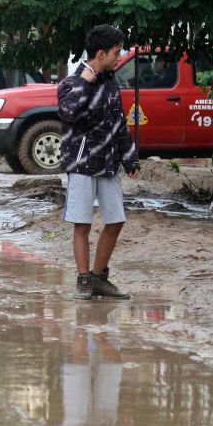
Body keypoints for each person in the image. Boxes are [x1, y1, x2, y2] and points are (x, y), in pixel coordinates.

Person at [57, 24, 140, 300]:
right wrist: (85, 80)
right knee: (82, 224)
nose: (119, 57)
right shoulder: (71, 84)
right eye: (117, 52)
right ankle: (83, 280)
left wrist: (129, 158)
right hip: (80, 164)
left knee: (115, 221)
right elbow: (68, 112)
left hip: (108, 164)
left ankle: (99, 277)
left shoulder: (111, 83)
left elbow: (119, 123)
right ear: (101, 53)